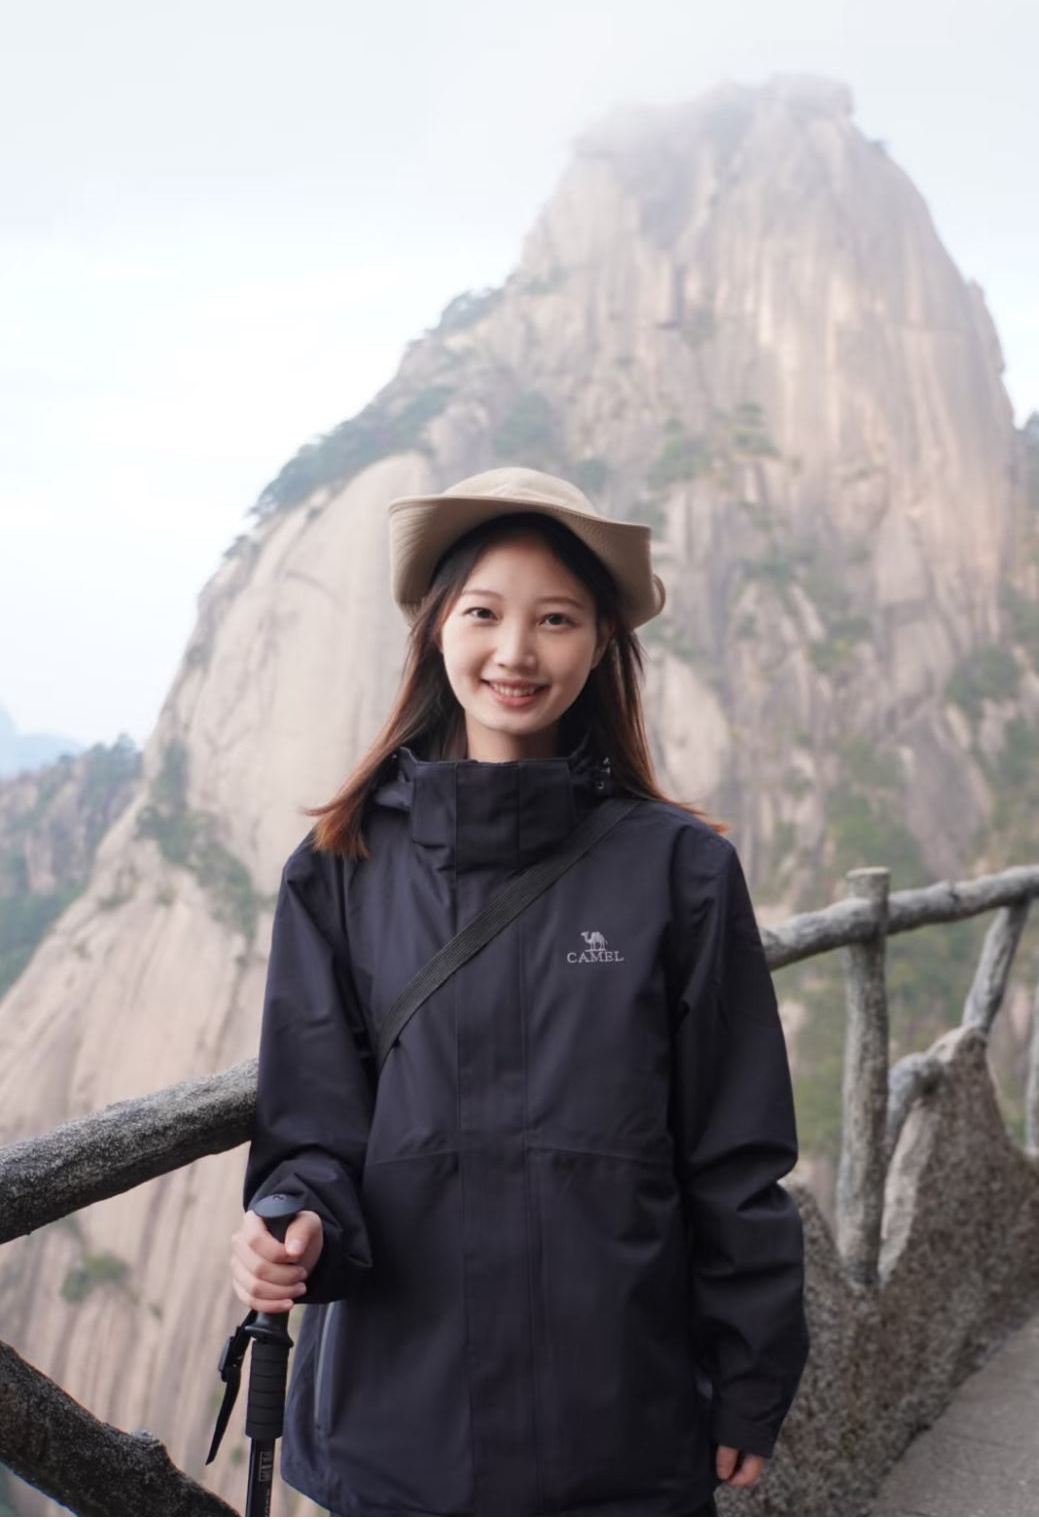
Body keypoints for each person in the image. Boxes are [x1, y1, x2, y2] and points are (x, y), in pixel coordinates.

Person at [231, 467, 809, 1516]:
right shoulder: (341, 867)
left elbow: (733, 1149)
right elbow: (312, 1127)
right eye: (483, 612)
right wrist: (292, 1216)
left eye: (555, 618)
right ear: (434, 628)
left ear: (600, 642)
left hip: (620, 1413)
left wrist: (749, 1375)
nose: (515, 651)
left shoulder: (678, 871)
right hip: (400, 1417)